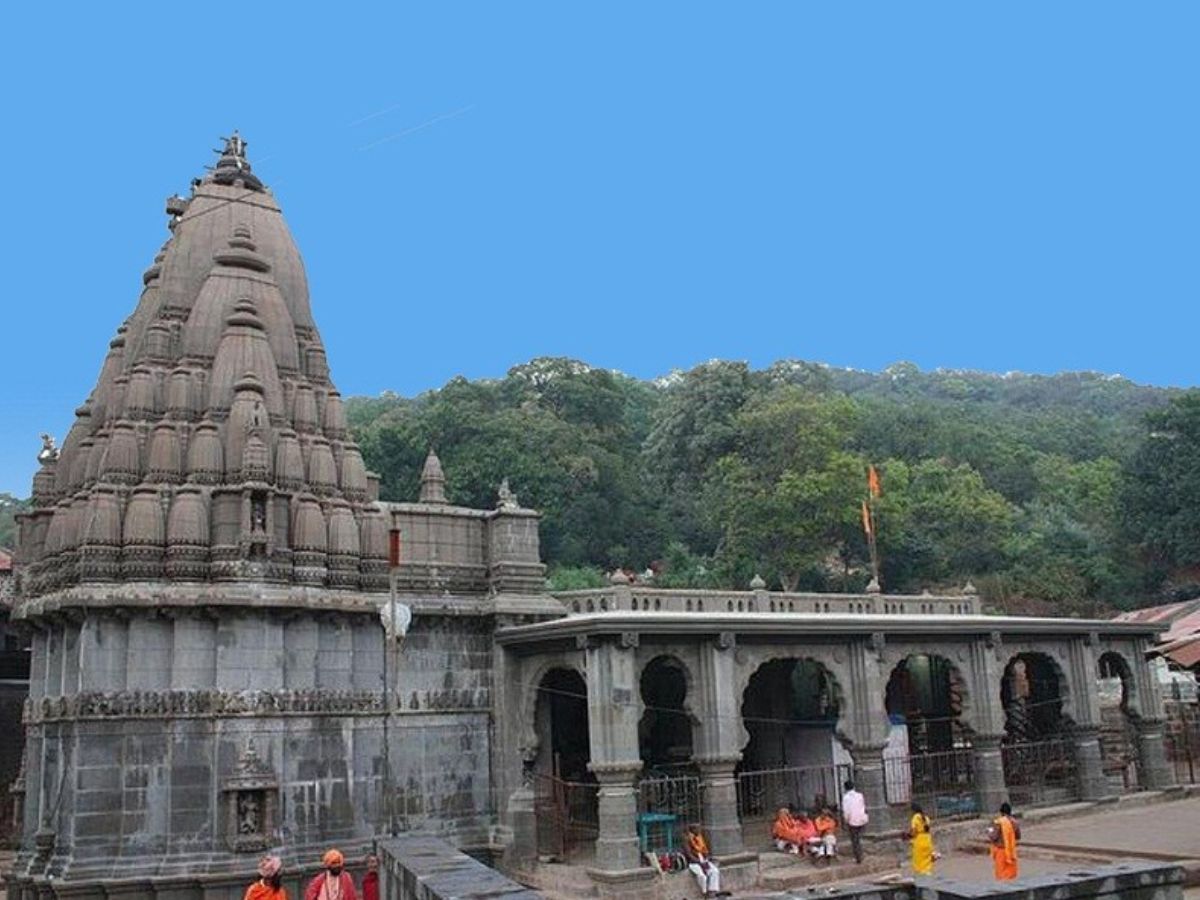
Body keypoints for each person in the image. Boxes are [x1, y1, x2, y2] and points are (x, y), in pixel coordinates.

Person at [682, 823, 721, 897]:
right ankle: (704, 892)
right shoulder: (687, 839)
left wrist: (707, 858)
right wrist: (699, 862)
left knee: (714, 871)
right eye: (697, 829)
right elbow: (689, 854)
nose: (699, 830)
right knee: (702, 876)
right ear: (692, 830)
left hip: (703, 860)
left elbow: (704, 850)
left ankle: (712, 890)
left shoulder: (700, 837)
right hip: (693, 862)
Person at [989, 802, 1020, 881]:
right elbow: (1018, 836)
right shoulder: (1014, 822)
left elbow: (993, 837)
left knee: (1001, 875)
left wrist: (989, 830)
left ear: (1001, 812)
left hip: (1001, 851)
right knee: (1011, 875)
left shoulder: (998, 822)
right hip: (1011, 851)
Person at [840, 779, 869, 864]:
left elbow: (846, 811)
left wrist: (846, 820)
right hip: (862, 818)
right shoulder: (860, 795)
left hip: (852, 820)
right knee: (859, 838)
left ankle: (858, 857)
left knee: (855, 840)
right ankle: (860, 854)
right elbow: (863, 807)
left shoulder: (846, 798)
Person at [909, 803, 935, 876]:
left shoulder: (915, 818)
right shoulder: (926, 818)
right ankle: (927, 873)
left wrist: (909, 836)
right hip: (927, 839)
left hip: (919, 840)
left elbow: (914, 831)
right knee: (927, 859)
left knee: (918, 859)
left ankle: (921, 875)